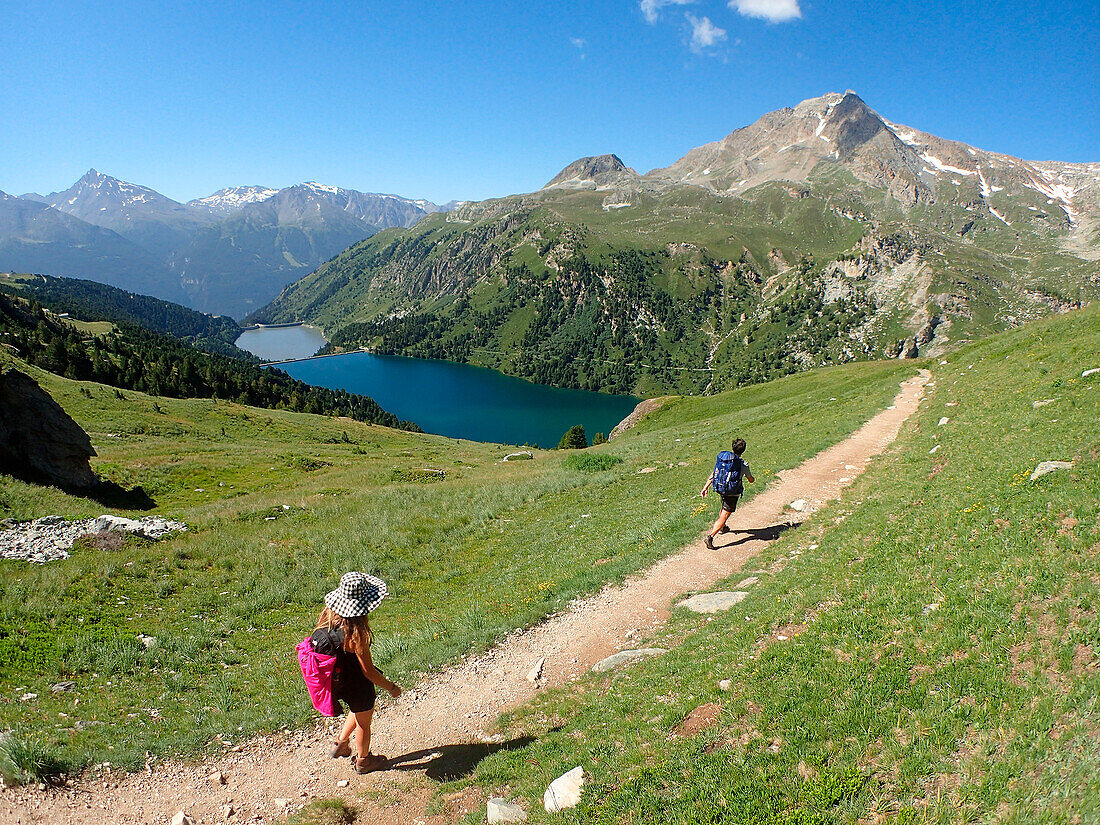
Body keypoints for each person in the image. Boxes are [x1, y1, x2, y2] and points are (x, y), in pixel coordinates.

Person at [311, 571, 402, 774]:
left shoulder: (328, 616)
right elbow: (369, 672)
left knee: (357, 709)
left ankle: (341, 743)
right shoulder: (356, 633)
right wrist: (391, 687)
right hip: (356, 684)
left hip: (335, 681)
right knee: (364, 722)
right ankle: (364, 761)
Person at [700, 437, 754, 550]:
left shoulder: (725, 460)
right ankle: (710, 537)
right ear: (743, 450)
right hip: (732, 492)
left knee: (724, 507)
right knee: (725, 514)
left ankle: (723, 527)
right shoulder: (743, 464)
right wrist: (751, 478)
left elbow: (714, 473)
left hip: (721, 488)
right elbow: (750, 479)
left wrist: (705, 487)